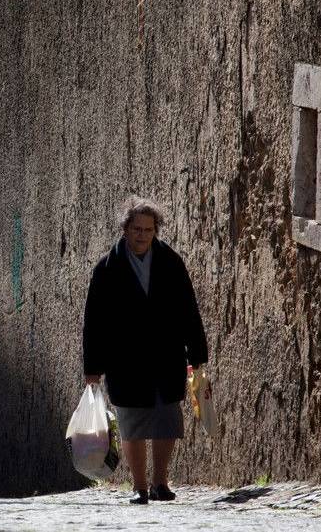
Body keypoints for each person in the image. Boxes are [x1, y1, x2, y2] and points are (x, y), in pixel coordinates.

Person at [81, 195, 208, 505]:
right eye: (136, 229)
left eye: (148, 230)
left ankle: (160, 483)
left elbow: (188, 310)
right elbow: (94, 322)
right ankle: (139, 486)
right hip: (125, 360)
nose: (142, 235)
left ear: (156, 231)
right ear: (125, 229)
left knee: (167, 420)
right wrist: (92, 370)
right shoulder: (107, 269)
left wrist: (198, 355)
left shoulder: (170, 263)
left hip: (166, 354)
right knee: (133, 423)